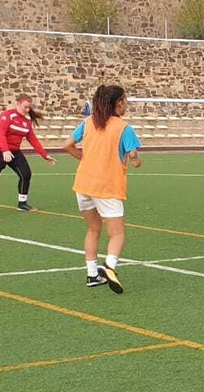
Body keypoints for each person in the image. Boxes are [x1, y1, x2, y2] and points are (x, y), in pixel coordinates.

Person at [59, 85, 142, 294]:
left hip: (84, 185)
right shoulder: (123, 128)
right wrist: (136, 160)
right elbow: (133, 155)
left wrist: (85, 160)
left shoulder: (89, 122)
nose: (126, 104)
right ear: (118, 103)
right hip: (107, 187)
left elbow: (67, 145)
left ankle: (92, 274)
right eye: (124, 100)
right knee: (117, 234)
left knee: (93, 229)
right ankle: (109, 266)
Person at [0, 95, 57, 214]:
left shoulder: (26, 122)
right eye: (25, 107)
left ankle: (22, 204)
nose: (27, 110)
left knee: (26, 174)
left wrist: (45, 155)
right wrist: (5, 150)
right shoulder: (7, 116)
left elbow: (33, 139)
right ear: (17, 104)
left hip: (14, 152)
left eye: (29, 108)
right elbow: (1, 133)